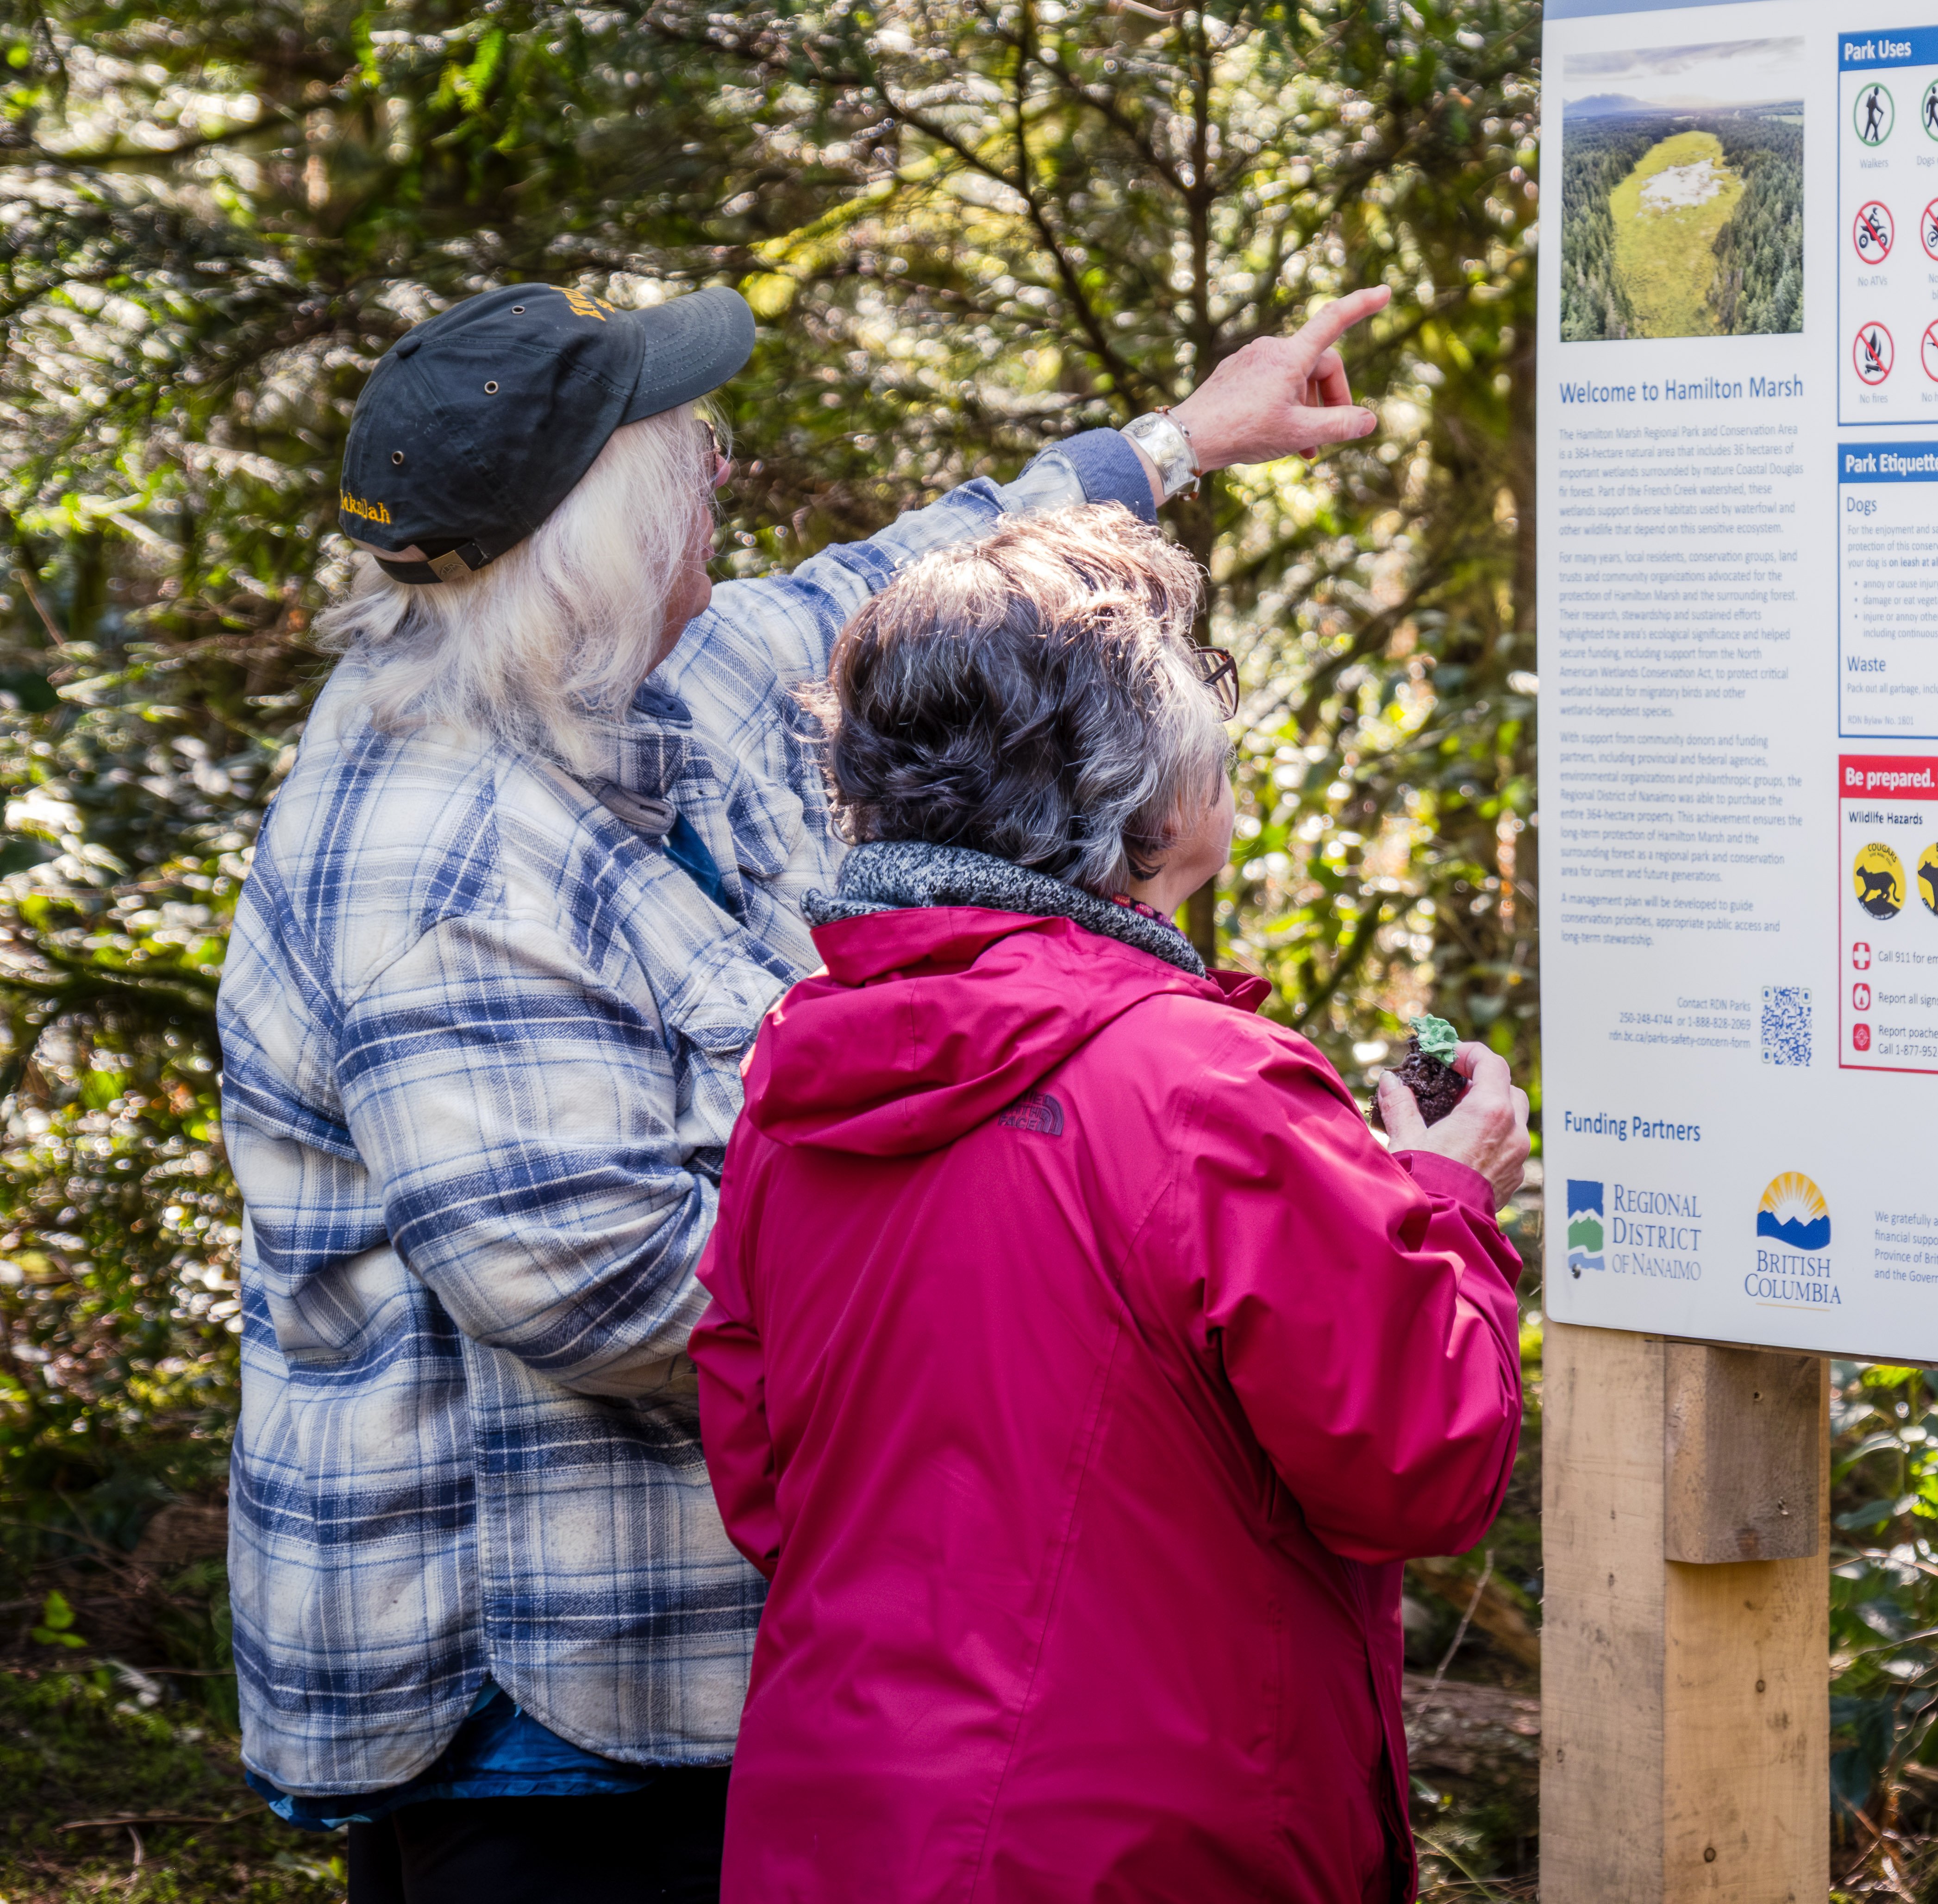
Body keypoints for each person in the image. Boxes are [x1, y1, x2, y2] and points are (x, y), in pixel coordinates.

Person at [213, 274, 1384, 1901]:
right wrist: (1016, 1264)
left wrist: (1179, 442)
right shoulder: (440, 859)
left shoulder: (629, 680)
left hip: (710, 1652)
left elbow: (890, 584)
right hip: (547, 1710)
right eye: (687, 454)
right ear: (605, 538)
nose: (721, 478)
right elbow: (592, 1288)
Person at [690, 504, 1531, 1903]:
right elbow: (1421, 1461)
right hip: (1147, 1846)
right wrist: (1447, 1201)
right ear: (1135, 796)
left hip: (838, 1829)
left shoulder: (809, 1065)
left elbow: (765, 1477)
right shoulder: (1202, 1082)